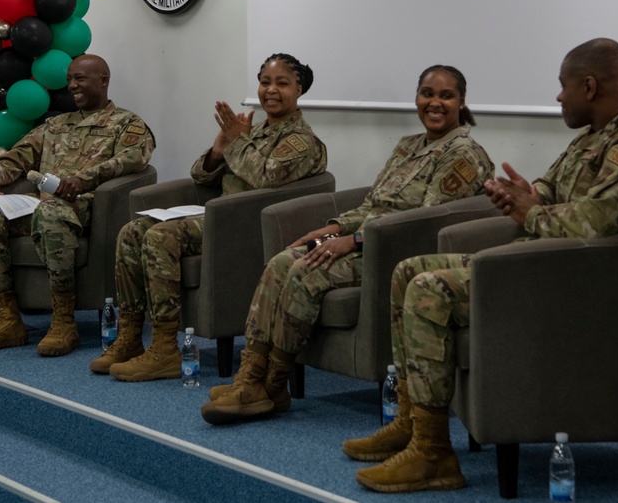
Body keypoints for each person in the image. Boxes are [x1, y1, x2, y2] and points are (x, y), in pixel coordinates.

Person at [343, 38, 618, 494]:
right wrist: (528, 194)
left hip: (587, 291)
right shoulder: (594, 139)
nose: (559, 97)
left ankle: (434, 457)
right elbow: (550, 186)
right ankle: (415, 426)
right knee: (408, 270)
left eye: (564, 88)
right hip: (548, 270)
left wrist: (530, 212)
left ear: (588, 85)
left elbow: (592, 225)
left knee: (429, 288)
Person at [199, 64, 495, 425]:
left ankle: (272, 384)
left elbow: (421, 222)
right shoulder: (410, 145)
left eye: (445, 96)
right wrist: (332, 229)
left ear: (461, 102)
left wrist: (351, 242)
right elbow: (375, 203)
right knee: (280, 262)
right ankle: (253, 377)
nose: (434, 103)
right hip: (366, 240)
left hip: (397, 253)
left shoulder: (463, 154)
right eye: (427, 94)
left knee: (306, 271)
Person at [94, 53, 328, 381]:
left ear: (299, 89)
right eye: (265, 82)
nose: (271, 90)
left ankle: (165, 349)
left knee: (161, 237)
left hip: (244, 227)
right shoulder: (252, 132)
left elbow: (267, 179)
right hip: (217, 217)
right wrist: (219, 148)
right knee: (132, 231)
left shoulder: (301, 141)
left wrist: (237, 143)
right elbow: (200, 178)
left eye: (282, 83)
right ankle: (130, 337)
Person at [0, 54, 155, 357]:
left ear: (103, 80)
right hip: (42, 204)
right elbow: (21, 153)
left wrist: (84, 179)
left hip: (85, 207)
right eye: (69, 79)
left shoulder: (127, 123)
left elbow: (133, 159)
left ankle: (64, 321)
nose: (72, 85)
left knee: (49, 212)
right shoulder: (56, 124)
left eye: (80, 78)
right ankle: (7, 319)